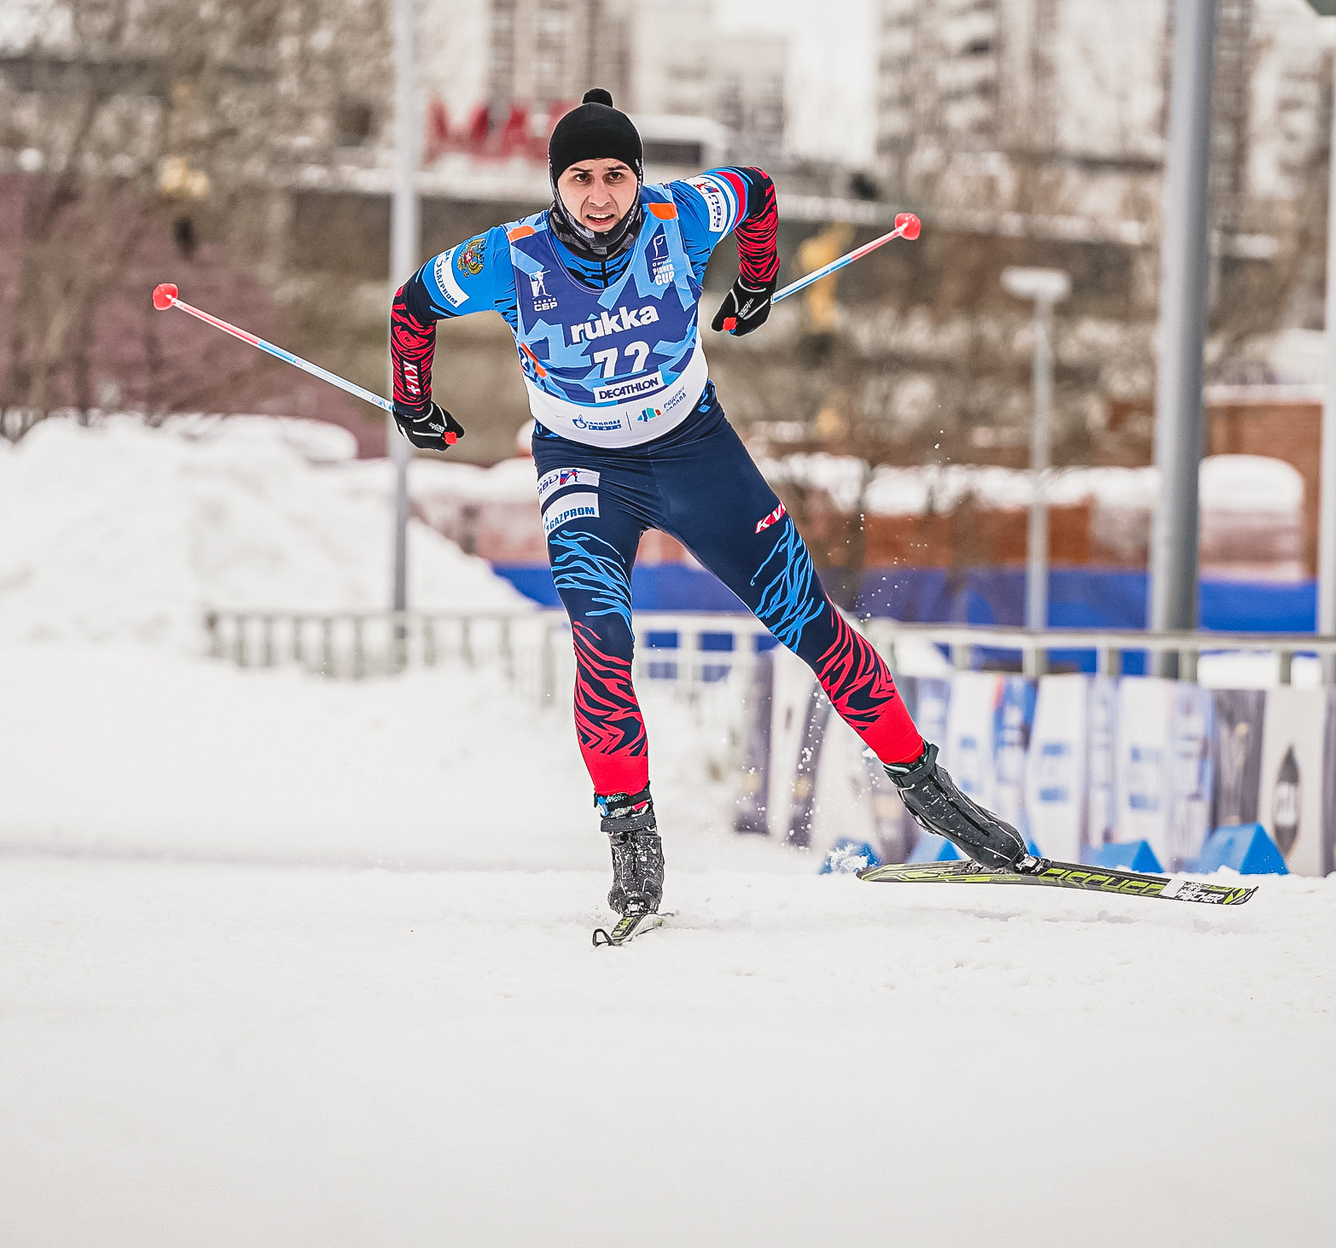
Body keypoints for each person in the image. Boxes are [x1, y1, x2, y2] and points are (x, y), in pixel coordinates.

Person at [388, 89, 1026, 917]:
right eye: (579, 177)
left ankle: (930, 790)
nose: (599, 194)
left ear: (638, 178)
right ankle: (631, 836)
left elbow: (757, 190)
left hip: (694, 449)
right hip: (584, 465)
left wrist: (756, 282)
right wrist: (414, 402)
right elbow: (413, 304)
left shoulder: (680, 215)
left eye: (616, 174)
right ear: (556, 185)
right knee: (602, 643)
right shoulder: (508, 258)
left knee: (813, 623)